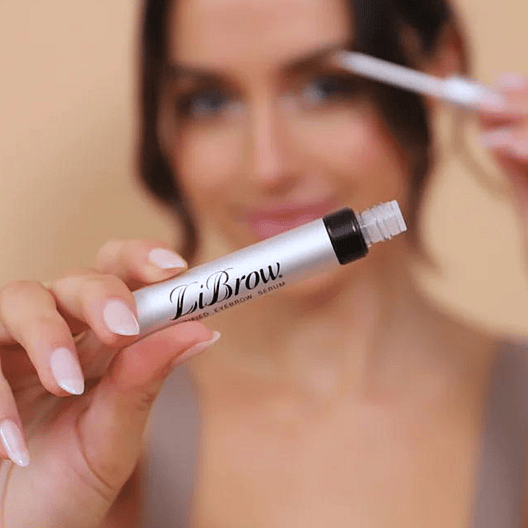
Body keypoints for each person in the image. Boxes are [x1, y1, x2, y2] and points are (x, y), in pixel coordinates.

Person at [1, 0, 528, 526]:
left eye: (326, 88)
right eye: (209, 101)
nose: (267, 166)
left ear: (439, 71)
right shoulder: (94, 425)